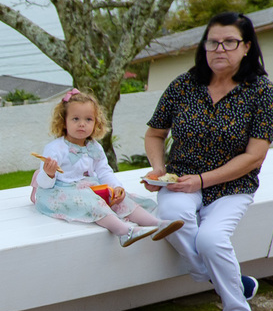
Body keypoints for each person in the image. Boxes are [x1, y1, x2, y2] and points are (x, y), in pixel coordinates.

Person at [144, 11, 273, 311]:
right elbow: (155, 133)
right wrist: (158, 170)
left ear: (246, 47)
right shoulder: (184, 85)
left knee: (211, 239)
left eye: (229, 42)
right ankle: (233, 282)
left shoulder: (261, 91)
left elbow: (255, 156)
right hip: (180, 180)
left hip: (232, 186)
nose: (219, 49)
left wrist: (202, 181)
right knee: (171, 217)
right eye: (213, 42)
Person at [33, 89, 183, 247]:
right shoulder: (55, 148)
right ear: (64, 122)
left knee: (117, 198)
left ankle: (156, 224)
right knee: (95, 202)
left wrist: (116, 187)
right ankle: (124, 232)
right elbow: (44, 184)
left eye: (88, 119)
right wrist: (49, 174)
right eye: (75, 119)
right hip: (59, 192)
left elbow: (104, 171)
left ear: (96, 123)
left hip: (88, 188)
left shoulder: (94, 147)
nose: (82, 124)